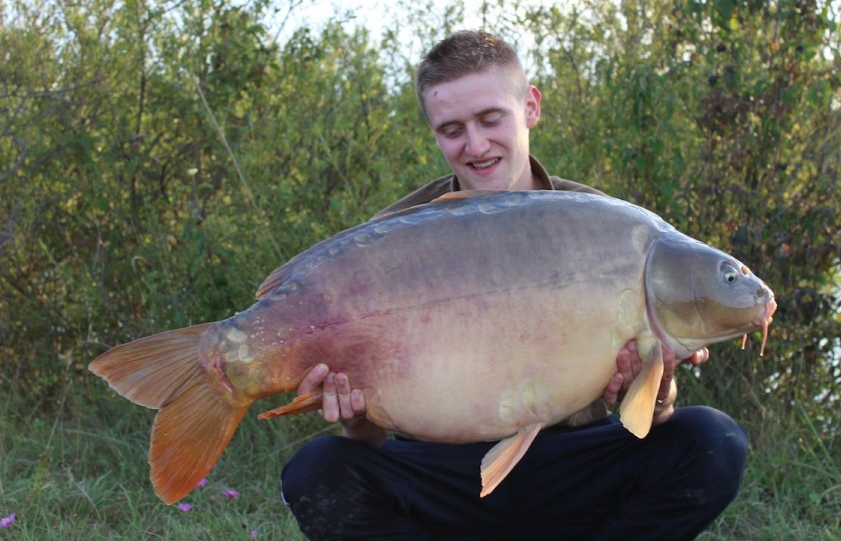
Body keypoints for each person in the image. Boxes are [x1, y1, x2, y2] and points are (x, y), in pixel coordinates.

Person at [280, 30, 748, 540]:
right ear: (434, 132)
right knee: (318, 468)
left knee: (711, 439)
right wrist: (354, 417)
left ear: (530, 106)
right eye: (452, 129)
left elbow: (653, 418)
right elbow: (369, 436)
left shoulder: (605, 227)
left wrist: (655, 384)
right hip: (439, 472)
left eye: (490, 119)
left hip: (573, 464)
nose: (476, 145)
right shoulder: (392, 241)